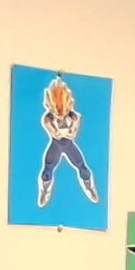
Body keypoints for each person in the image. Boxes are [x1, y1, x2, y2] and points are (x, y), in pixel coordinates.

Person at [32, 74, 98, 208]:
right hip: (56, 144)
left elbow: (72, 134)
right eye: (57, 113)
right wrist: (64, 132)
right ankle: (45, 191)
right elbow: (55, 135)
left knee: (81, 166)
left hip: (68, 144)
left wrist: (65, 131)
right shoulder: (47, 119)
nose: (60, 116)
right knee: (48, 168)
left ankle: (89, 188)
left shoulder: (73, 117)